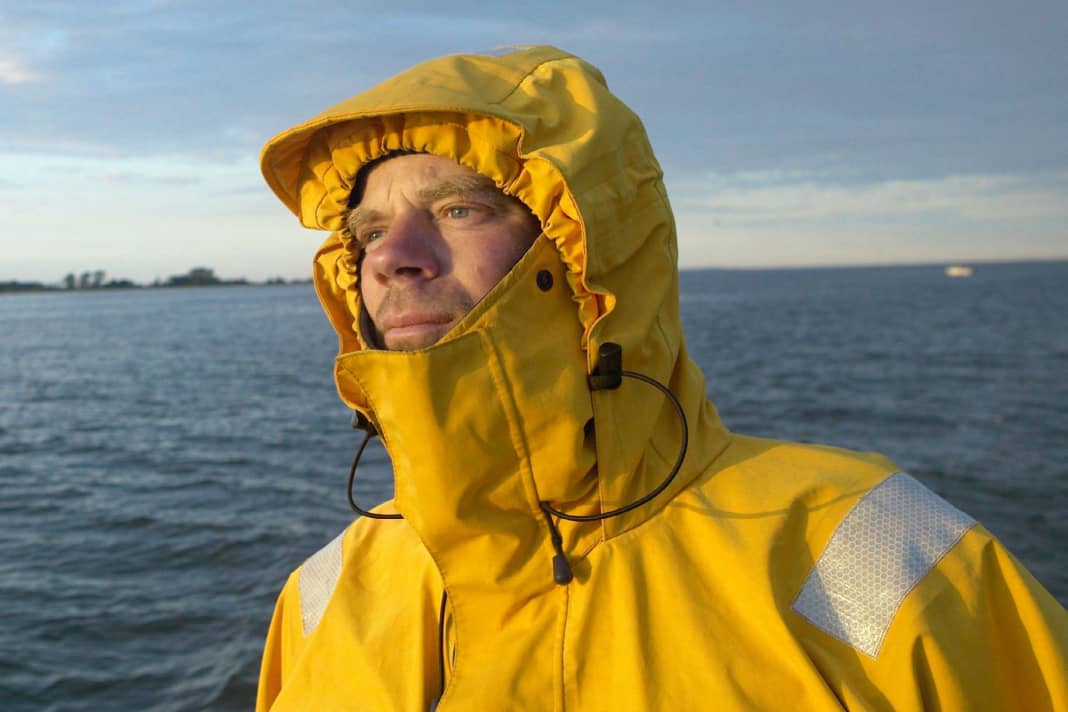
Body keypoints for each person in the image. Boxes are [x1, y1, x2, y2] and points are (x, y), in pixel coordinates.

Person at [255, 46, 1067, 711]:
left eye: (462, 208)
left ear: (589, 251)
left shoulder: (866, 548)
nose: (393, 257)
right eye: (367, 233)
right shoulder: (325, 594)